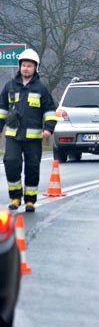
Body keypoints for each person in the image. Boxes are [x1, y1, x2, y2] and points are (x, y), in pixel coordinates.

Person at [0, 49, 57, 213]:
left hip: (33, 137)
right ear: (20, 67)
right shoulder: (9, 86)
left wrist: (49, 129)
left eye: (29, 66)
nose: (26, 69)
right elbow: (2, 109)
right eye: (23, 65)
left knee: (32, 167)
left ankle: (30, 200)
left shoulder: (41, 89)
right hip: (13, 135)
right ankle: (15, 197)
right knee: (11, 163)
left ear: (35, 68)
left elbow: (49, 111)